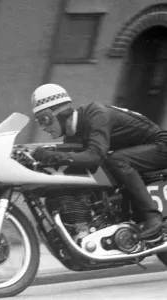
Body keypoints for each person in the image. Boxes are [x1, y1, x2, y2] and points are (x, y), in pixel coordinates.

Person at [31, 83, 167, 240]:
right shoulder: (72, 136)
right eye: (39, 122)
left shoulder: (96, 114)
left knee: (116, 160)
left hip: (161, 146)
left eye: (44, 120)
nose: (43, 127)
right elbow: (79, 163)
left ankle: (153, 218)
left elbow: (95, 156)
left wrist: (52, 156)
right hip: (139, 154)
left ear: (60, 113)